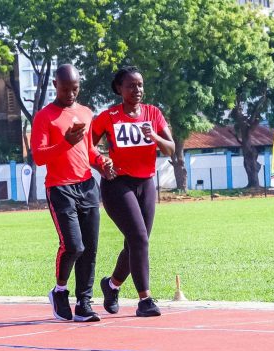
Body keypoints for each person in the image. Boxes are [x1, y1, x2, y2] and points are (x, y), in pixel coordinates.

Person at [31, 64, 113, 322]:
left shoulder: (86, 113)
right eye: (65, 88)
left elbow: (89, 151)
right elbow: (39, 157)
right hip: (60, 188)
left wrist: (102, 162)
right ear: (55, 85)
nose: (70, 93)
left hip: (87, 185)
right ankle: (60, 291)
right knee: (73, 245)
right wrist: (65, 142)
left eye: (75, 88)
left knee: (90, 248)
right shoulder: (45, 117)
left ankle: (84, 303)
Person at [92, 66, 175, 317]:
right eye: (130, 85)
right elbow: (88, 146)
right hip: (118, 184)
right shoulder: (108, 116)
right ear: (119, 88)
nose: (136, 90)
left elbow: (171, 148)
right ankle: (145, 300)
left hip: (146, 183)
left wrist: (155, 137)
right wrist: (102, 164)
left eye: (140, 85)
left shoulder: (153, 113)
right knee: (139, 239)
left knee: (136, 243)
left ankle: (112, 285)